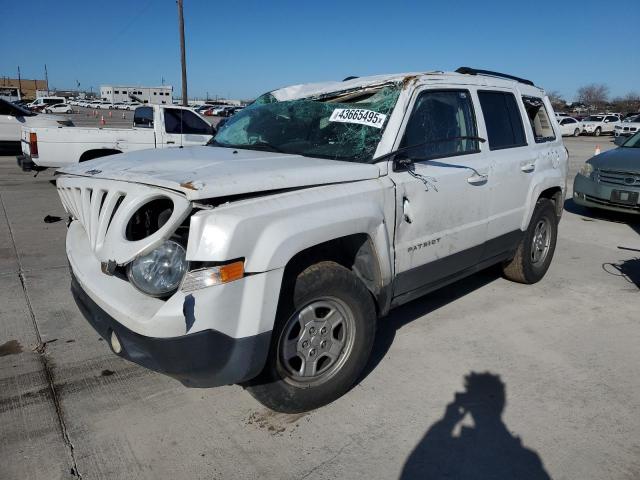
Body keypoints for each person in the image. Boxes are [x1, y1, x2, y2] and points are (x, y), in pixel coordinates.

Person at [401, 372, 551, 479]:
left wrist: (447, 421)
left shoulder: (453, 451)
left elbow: (410, 470)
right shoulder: (528, 460)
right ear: (502, 404)